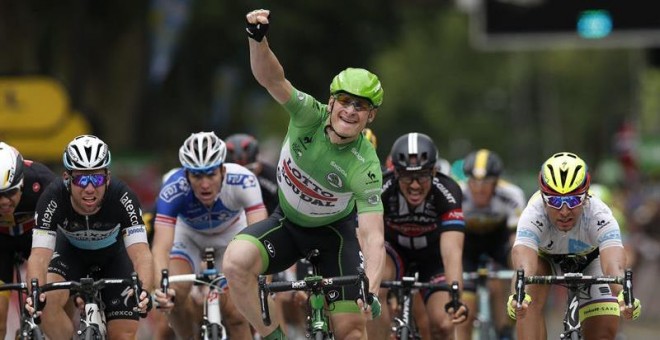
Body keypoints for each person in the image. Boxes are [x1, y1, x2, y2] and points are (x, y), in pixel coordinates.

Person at [222, 8, 386, 340]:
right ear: (331, 101)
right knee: (235, 263)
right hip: (288, 223)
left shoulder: (365, 164)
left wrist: (371, 287)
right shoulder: (307, 113)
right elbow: (272, 78)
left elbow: (373, 236)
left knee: (351, 332)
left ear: (371, 116)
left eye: (361, 106)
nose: (350, 111)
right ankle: (272, 335)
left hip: (334, 237)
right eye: (345, 101)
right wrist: (258, 39)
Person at [25, 134, 153, 339]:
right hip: (70, 254)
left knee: (122, 335)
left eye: (97, 178)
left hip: (114, 257)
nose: (90, 188)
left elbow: (141, 254)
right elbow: (39, 256)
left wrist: (144, 289)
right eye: (82, 179)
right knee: (46, 301)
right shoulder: (52, 197)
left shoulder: (123, 196)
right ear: (67, 179)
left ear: (108, 178)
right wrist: (35, 293)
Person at [508, 152, 642, 340]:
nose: (564, 211)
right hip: (546, 260)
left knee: (603, 333)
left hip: (591, 260)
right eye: (554, 201)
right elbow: (524, 264)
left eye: (573, 200)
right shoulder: (533, 213)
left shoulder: (599, 213)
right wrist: (518, 294)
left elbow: (613, 266)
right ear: (543, 197)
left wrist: (623, 294)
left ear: (586, 196)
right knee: (526, 297)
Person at [151, 131, 268, 339]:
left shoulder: (244, 180)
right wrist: (163, 287)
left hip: (232, 235)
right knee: (175, 293)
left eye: (211, 175)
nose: (205, 184)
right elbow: (161, 246)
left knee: (237, 314)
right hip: (188, 235)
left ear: (223, 171)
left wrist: (262, 281)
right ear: (186, 174)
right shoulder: (172, 187)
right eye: (197, 176)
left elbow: (262, 237)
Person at [366, 132, 468, 340]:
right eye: (406, 176)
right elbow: (370, 240)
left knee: (444, 323)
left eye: (421, 176)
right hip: (395, 254)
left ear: (433, 171)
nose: (414, 185)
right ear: (395, 173)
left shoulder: (448, 191)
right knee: (374, 294)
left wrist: (455, 298)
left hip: (433, 258)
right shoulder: (381, 188)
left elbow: (452, 253)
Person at [456, 149, 525, 340]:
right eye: (474, 182)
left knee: (502, 278)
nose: (479, 188)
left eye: (485, 182)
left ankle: (505, 329)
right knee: (464, 307)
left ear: (495, 182)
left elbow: (516, 239)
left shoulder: (511, 195)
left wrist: (516, 272)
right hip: (467, 246)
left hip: (497, 244)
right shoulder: (456, 194)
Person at [0, 142, 55, 339]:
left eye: (11, 192)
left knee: (55, 294)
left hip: (36, 238)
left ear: (22, 182)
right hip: (1, 244)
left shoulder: (42, 180)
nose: (5, 202)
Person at [225, 133, 279, 215]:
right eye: (237, 173)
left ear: (259, 160)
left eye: (250, 169)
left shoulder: (272, 176)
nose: (246, 176)